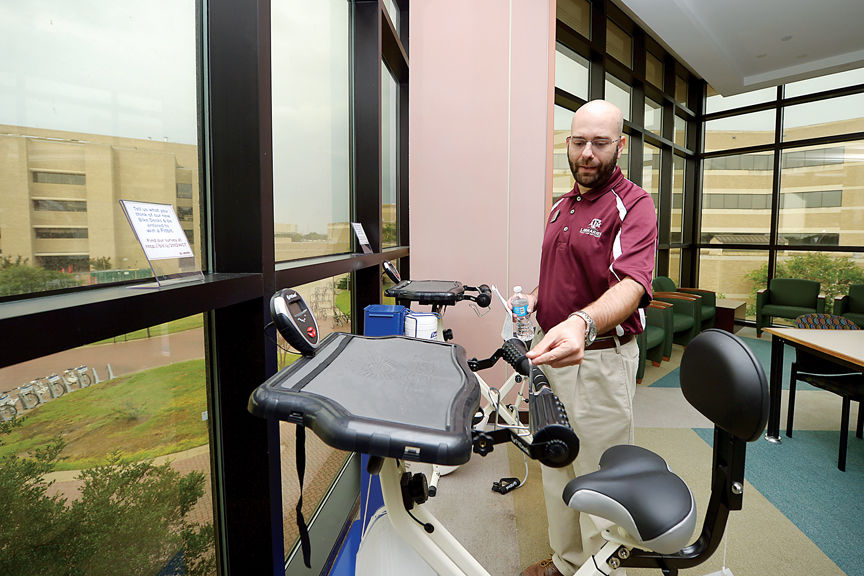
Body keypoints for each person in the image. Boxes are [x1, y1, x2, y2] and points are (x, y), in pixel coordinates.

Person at [514, 99, 657, 576]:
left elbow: (633, 285)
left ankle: (602, 568)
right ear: (568, 145)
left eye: (600, 143)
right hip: (554, 358)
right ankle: (567, 561)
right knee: (556, 465)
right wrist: (538, 297)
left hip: (598, 358)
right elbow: (566, 272)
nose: (588, 153)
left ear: (620, 146)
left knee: (599, 478)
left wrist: (581, 322)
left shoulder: (633, 204)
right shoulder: (561, 205)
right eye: (579, 142)